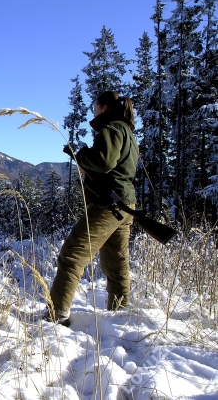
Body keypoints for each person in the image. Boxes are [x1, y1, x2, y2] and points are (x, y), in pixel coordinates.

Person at [44, 91, 139, 327]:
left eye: (95, 107)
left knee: (72, 255)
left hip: (109, 205)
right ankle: (120, 313)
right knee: (116, 262)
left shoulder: (112, 128)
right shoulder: (126, 130)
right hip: (125, 204)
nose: (93, 112)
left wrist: (81, 154)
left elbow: (105, 161)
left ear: (104, 108)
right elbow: (116, 168)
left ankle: (56, 316)